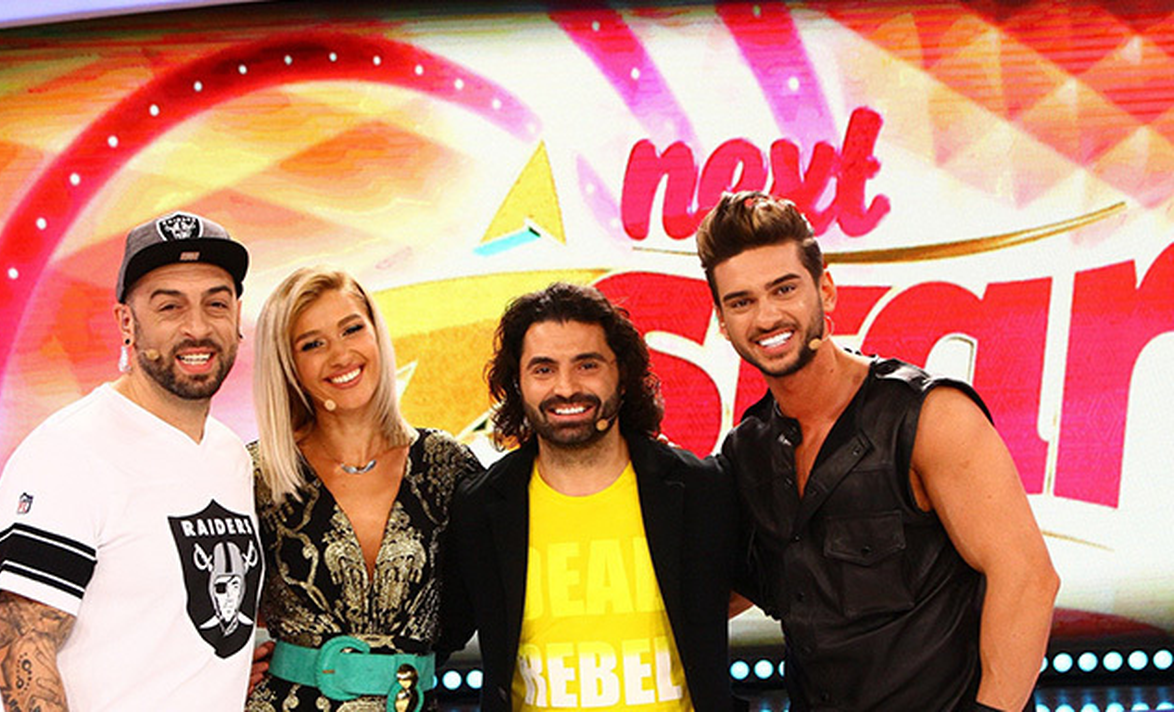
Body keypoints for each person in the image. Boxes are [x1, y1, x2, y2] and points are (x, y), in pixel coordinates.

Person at [695, 191, 1060, 711]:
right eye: (741, 302)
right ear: (721, 320)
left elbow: (1026, 579)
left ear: (826, 290)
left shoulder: (932, 416)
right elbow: (724, 592)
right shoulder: (748, 451)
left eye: (784, 289)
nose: (767, 316)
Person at [0, 211, 262, 710]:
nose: (197, 327)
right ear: (126, 322)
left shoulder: (232, 456)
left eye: (216, 303)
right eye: (170, 307)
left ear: (237, 316)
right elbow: (25, 647)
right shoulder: (68, 453)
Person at [439, 282, 752, 712]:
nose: (566, 387)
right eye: (543, 369)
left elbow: (778, 585)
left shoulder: (701, 490)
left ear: (622, 377)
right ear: (518, 385)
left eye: (587, 365)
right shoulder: (479, 509)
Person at [246, 267, 482, 711]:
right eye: (312, 344)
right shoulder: (258, 474)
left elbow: (482, 600)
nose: (340, 355)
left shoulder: (445, 463)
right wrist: (221, 675)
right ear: (288, 364)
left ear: (376, 332)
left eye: (351, 329)